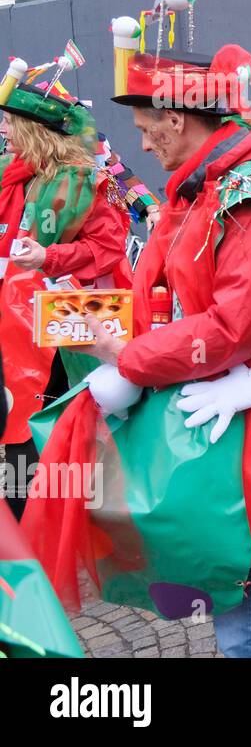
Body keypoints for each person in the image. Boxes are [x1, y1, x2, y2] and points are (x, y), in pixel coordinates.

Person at [23, 41, 251, 657]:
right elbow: (166, 294)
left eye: (149, 129)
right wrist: (74, 319)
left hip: (245, 400)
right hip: (210, 393)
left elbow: (241, 322)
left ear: (178, 118)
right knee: (241, 551)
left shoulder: (245, 197)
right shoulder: (201, 189)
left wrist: (130, 359)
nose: (143, 145)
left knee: (231, 557)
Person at [0, 67, 128, 521]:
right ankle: (24, 524)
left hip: (61, 324)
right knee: (16, 427)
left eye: (11, 124)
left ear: (34, 131)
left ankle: (49, 526)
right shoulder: (12, 175)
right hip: (10, 326)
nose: (3, 131)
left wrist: (49, 257)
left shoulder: (83, 180)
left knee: (49, 424)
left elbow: (108, 248)